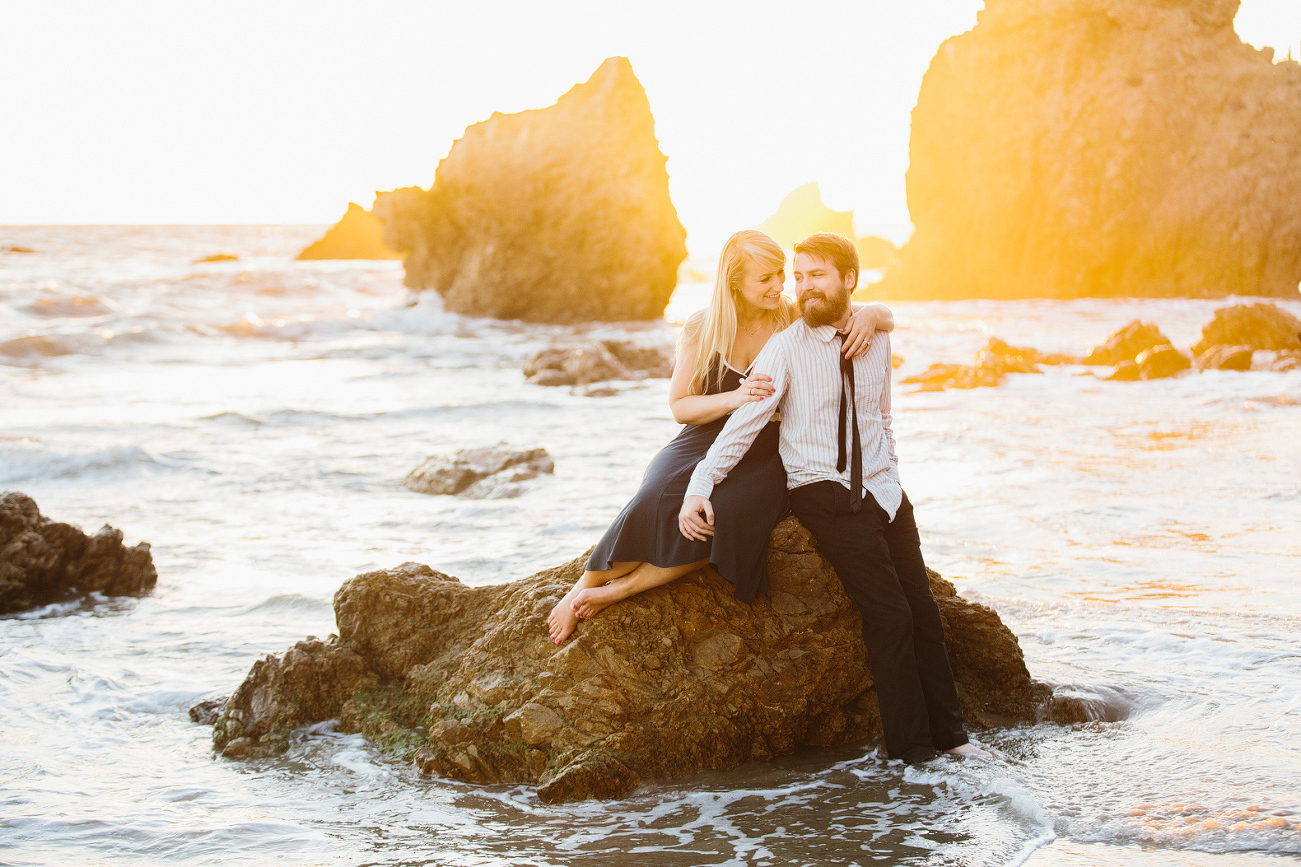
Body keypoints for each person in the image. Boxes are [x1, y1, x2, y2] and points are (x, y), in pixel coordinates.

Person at [678, 232, 987, 764]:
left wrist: (892, 474)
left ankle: (953, 736)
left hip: (884, 489)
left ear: (848, 279)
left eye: (815, 275)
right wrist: (698, 486)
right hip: (821, 488)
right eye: (797, 277)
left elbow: (882, 416)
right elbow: (744, 424)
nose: (803, 287)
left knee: (924, 612)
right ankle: (913, 754)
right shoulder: (787, 346)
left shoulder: (875, 335)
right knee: (889, 615)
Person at [546, 229, 894, 645]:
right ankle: (577, 592)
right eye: (765, 278)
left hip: (768, 448)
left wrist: (874, 313)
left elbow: (858, 313)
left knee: (724, 516)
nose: (780, 286)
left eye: (781, 274)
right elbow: (679, 406)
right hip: (702, 438)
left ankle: (619, 590)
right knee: (653, 500)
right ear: (735, 282)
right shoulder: (702, 327)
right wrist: (735, 397)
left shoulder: (792, 318)